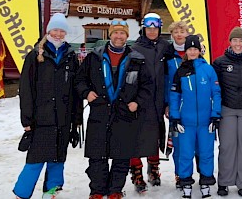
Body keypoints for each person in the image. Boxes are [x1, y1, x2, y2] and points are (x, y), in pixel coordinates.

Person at [75, 20, 151, 199]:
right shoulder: (95, 57)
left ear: (127, 36)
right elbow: (79, 80)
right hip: (100, 111)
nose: (119, 36)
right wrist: (86, 92)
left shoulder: (136, 59)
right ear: (110, 35)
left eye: (122, 33)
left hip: (125, 113)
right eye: (115, 33)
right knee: (97, 155)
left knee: (122, 155)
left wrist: (137, 102)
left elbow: (147, 86)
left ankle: (115, 190)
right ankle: (97, 190)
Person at [13, 13, 83, 199]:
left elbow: (76, 91)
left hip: (63, 117)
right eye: (55, 30)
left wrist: (76, 120)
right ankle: (21, 193)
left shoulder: (70, 56)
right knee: (36, 158)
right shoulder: (35, 55)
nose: (59, 34)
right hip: (41, 117)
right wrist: (26, 119)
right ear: (48, 31)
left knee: (58, 156)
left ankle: (51, 191)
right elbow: (26, 89)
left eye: (62, 30)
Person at [169, 35, 222, 199]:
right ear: (186, 51)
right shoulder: (181, 71)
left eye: (195, 49)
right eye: (190, 49)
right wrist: (175, 117)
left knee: (206, 153)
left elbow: (217, 93)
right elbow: (174, 96)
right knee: (185, 153)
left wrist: (215, 116)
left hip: (206, 122)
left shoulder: (208, 69)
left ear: (200, 51)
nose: (192, 52)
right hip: (187, 122)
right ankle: (185, 182)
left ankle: (205, 182)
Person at [213, 27, 242, 197]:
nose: (238, 44)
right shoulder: (220, 62)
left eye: (241, 40)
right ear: (230, 42)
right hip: (228, 108)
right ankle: (224, 182)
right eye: (235, 40)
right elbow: (215, 88)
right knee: (227, 146)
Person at [130, 12, 170, 193]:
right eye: (149, 28)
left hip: (158, 99)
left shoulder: (165, 46)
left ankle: (153, 169)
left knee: (155, 135)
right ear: (143, 28)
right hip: (141, 100)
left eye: (155, 28)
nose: (152, 31)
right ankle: (136, 171)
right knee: (137, 137)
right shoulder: (135, 48)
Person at [164, 20, 190, 189]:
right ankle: (180, 174)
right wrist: (167, 104)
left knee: (195, 143)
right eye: (176, 32)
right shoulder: (167, 55)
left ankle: (193, 173)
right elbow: (165, 81)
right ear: (172, 34)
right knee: (179, 142)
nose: (179, 34)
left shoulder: (195, 52)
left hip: (194, 106)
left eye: (182, 31)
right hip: (175, 106)